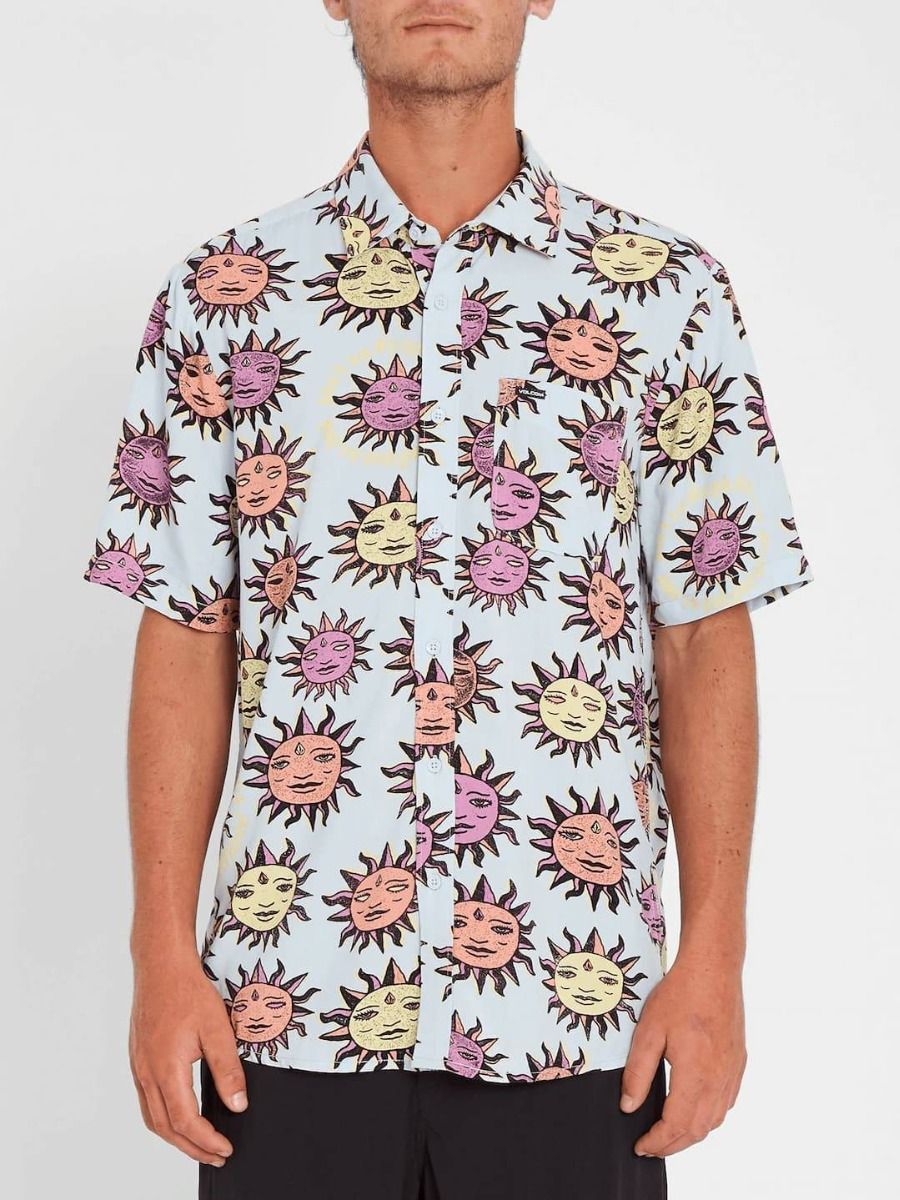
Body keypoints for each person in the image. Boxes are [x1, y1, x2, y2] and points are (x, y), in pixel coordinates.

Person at [82, 2, 814, 1197]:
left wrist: (715, 957)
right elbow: (183, 635)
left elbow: (704, 640)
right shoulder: (222, 298)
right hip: (285, 1006)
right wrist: (159, 957)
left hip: (577, 1016)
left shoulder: (666, 296)